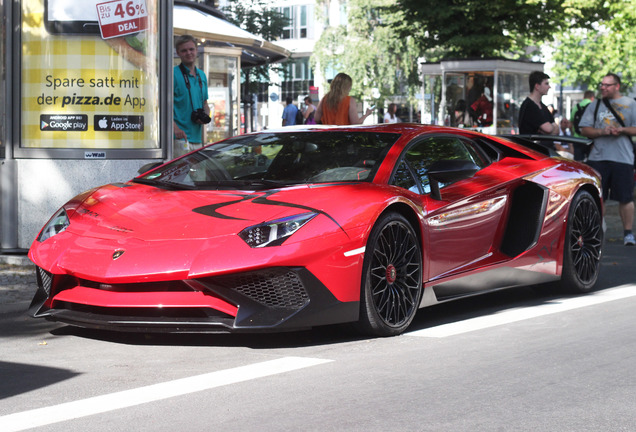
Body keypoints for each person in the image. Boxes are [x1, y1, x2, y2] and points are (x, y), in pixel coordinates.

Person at [579, 72, 636, 246]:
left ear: (616, 86)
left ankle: (628, 233)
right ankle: (595, 232)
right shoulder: (594, 105)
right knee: (597, 197)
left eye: (607, 85)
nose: (603, 88)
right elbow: (584, 129)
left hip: (623, 158)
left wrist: (622, 130)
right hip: (598, 158)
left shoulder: (630, 104)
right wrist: (602, 132)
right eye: (601, 85)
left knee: (625, 198)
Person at [173, 35, 211, 157]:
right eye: (184, 50)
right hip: (179, 139)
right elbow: (161, 106)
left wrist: (205, 116)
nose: (188, 53)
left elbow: (205, 103)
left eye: (191, 49)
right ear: (178, 53)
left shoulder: (202, 75)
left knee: (199, 175)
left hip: (197, 139)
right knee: (182, 176)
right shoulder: (172, 73)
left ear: (196, 50)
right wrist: (174, 128)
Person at [518, 71, 571, 156]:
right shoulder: (529, 106)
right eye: (546, 84)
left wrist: (546, 129)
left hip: (543, 153)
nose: (549, 87)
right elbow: (549, 129)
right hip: (533, 154)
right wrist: (548, 129)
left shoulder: (542, 106)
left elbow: (556, 130)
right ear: (537, 86)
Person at [570, 90, 596, 161]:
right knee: (590, 162)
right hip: (589, 139)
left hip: (577, 139)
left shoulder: (576, 106)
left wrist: (573, 134)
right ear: (592, 98)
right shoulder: (593, 106)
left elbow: (571, 122)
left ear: (583, 97)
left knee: (578, 162)